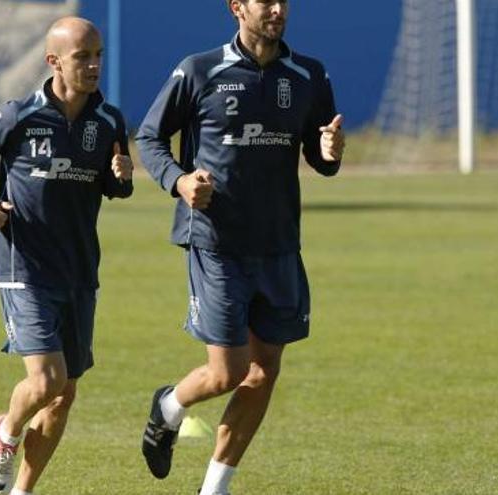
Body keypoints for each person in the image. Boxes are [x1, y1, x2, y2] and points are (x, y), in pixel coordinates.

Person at [135, 1, 345, 493]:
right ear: (237, 8)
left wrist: (330, 154)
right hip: (216, 241)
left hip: (278, 244)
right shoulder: (199, 69)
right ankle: (169, 406)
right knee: (228, 372)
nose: (276, 9)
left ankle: (216, 486)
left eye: (282, 1)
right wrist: (180, 180)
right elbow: (149, 136)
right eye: (263, 1)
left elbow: (319, 154)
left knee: (264, 370)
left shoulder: (308, 74)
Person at [0, 17, 133, 495]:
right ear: (54, 62)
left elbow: (114, 187)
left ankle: (23, 490)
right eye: (82, 57)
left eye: (98, 55)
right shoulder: (19, 115)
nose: (94, 65)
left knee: (64, 395)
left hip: (79, 271)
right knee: (47, 380)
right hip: (24, 267)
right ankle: (6, 431)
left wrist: (121, 176)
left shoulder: (109, 121)